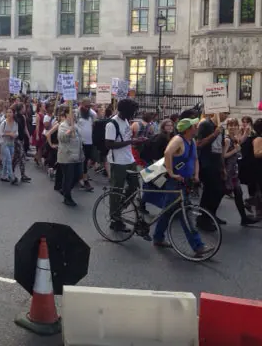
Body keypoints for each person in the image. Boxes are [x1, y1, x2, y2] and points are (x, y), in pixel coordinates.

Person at [152, 118, 213, 257]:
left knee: (167, 211)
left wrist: (196, 175)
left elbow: (195, 159)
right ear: (187, 129)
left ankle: (158, 237)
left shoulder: (191, 141)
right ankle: (198, 246)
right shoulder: (178, 140)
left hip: (185, 181)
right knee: (185, 214)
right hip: (174, 182)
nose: (197, 127)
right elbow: (167, 153)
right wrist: (171, 173)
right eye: (194, 125)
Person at [105, 99, 147, 232]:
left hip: (129, 159)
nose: (135, 114)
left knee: (134, 187)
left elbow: (127, 139)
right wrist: (131, 141)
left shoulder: (126, 121)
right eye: (133, 111)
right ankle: (115, 220)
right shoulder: (112, 124)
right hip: (118, 162)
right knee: (116, 191)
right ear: (127, 111)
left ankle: (119, 208)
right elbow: (109, 144)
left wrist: (136, 142)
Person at [196, 112, 228, 230]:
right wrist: (214, 134)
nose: (225, 116)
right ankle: (202, 219)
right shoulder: (205, 125)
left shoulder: (221, 128)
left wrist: (223, 167)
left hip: (216, 163)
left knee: (220, 191)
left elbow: (220, 148)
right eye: (224, 113)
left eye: (227, 114)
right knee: (209, 192)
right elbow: (199, 144)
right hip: (206, 163)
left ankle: (211, 215)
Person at [224, 118, 258, 226]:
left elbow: (240, 142)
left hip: (233, 172)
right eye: (230, 125)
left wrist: (246, 133)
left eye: (235, 125)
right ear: (227, 126)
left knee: (238, 193)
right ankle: (209, 215)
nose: (233, 127)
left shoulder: (234, 138)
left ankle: (244, 218)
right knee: (220, 193)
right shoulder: (227, 139)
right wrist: (235, 150)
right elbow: (223, 156)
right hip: (227, 172)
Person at [57, 106, 84, 207]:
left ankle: (64, 190)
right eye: (72, 114)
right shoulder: (63, 125)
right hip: (67, 156)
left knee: (77, 176)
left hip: (76, 156)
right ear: (67, 115)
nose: (74, 116)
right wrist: (69, 131)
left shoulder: (76, 126)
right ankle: (67, 197)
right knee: (68, 178)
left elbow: (79, 140)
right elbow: (62, 138)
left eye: (75, 114)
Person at [240, 118, 262, 219]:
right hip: (257, 169)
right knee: (259, 191)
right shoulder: (258, 139)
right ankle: (256, 211)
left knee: (258, 191)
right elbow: (257, 154)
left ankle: (252, 205)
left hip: (256, 168)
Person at [74, 98, 96, 192]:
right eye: (86, 106)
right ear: (81, 104)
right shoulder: (76, 113)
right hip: (79, 141)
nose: (87, 108)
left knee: (85, 160)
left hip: (89, 141)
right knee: (80, 160)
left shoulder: (92, 114)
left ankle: (81, 177)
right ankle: (84, 179)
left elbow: (94, 124)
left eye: (89, 106)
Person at [12, 103, 32, 183]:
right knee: (21, 156)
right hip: (16, 139)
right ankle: (22, 174)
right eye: (24, 107)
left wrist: (29, 137)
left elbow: (25, 128)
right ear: (20, 108)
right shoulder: (15, 117)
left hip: (21, 139)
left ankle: (11, 170)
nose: (25, 109)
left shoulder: (23, 117)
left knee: (17, 157)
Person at [0, 107, 18, 184]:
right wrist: (8, 134)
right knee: (9, 159)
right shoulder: (4, 123)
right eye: (8, 112)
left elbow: (17, 133)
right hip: (4, 143)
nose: (9, 114)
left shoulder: (15, 123)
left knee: (6, 160)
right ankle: (11, 177)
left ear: (13, 114)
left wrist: (14, 135)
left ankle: (3, 176)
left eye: (11, 112)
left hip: (11, 143)